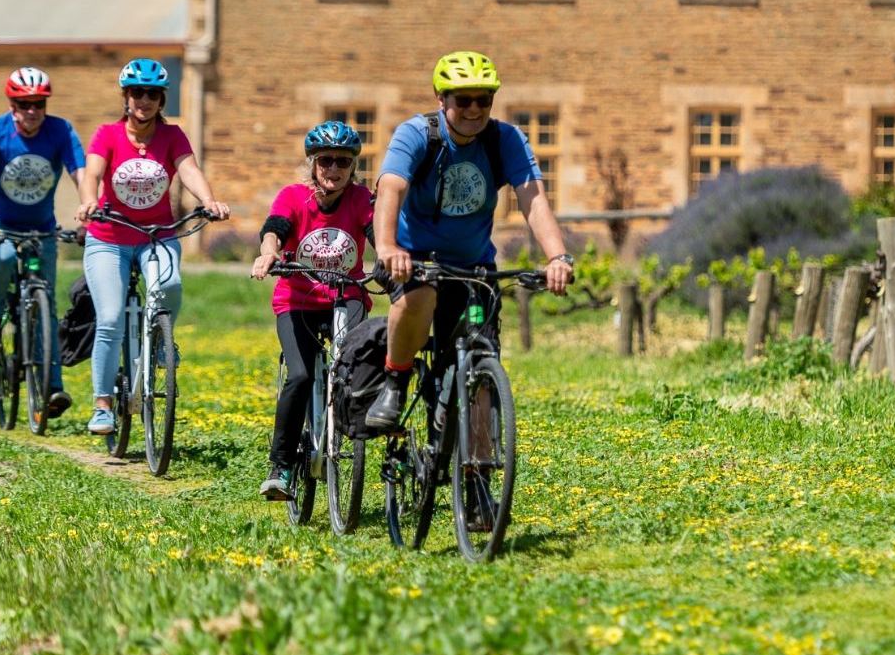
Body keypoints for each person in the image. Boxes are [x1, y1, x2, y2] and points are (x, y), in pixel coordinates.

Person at [364, 51, 574, 431]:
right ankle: (395, 381)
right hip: (413, 259)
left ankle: (478, 475)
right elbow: (390, 187)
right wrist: (388, 247)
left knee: (481, 354)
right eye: (463, 100)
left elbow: (534, 198)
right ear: (440, 98)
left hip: (473, 265)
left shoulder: (503, 139)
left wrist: (558, 256)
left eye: (484, 100)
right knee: (421, 295)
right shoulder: (417, 134)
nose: (475, 109)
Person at [75, 59, 229, 436]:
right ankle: (102, 405)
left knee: (169, 285)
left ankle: (162, 340)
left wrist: (209, 200)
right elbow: (92, 172)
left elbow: (189, 170)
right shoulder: (107, 134)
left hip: (157, 234)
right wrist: (88, 199)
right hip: (109, 237)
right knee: (110, 319)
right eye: (136, 93)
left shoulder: (172, 136)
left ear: (162, 100)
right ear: (125, 97)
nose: (143, 100)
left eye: (152, 94)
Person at [249, 120, 375, 500]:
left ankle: (347, 432)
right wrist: (268, 252)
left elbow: (377, 236)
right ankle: (282, 466)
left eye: (342, 162)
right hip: (298, 302)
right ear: (313, 164)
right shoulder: (293, 196)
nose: (333, 169)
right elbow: (274, 228)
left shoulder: (361, 200)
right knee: (301, 376)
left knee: (351, 369)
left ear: (353, 166)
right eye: (325, 161)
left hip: (346, 295)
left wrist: (390, 261)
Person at [0, 66, 85, 422]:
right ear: (12, 105)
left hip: (41, 225)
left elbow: (81, 174)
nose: (32, 111)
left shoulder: (60, 130)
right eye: (24, 104)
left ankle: (51, 387)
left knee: (44, 305)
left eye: (39, 104)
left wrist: (89, 216)